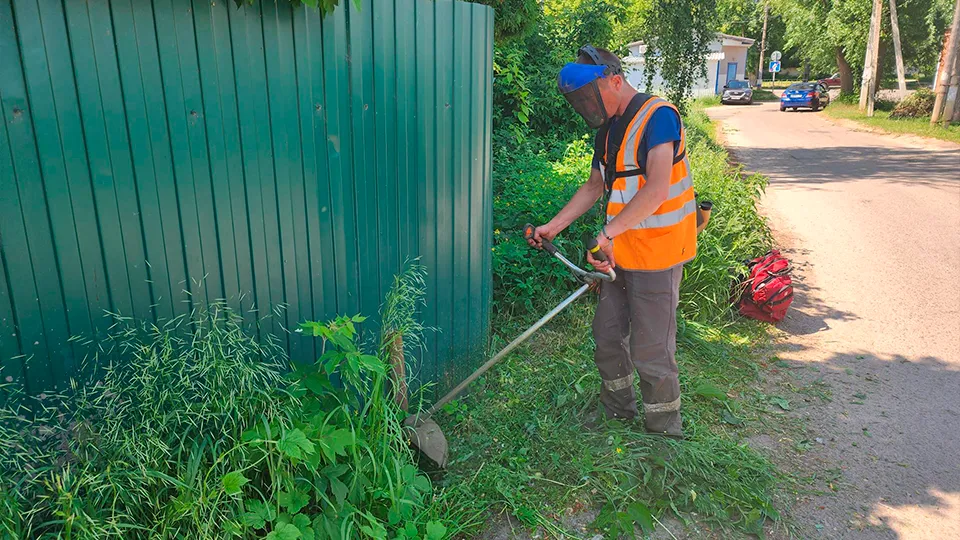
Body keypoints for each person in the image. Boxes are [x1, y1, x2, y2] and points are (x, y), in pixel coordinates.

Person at [526, 45, 697, 437]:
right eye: (580, 101)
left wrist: (604, 234)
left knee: (651, 350)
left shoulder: (659, 117)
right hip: (618, 255)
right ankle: (618, 412)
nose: (587, 106)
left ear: (616, 80)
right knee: (606, 336)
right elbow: (594, 186)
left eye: (590, 95)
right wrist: (554, 227)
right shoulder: (607, 130)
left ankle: (664, 432)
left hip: (658, 253)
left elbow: (656, 189)